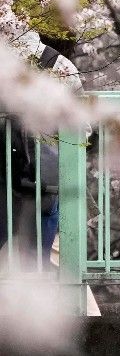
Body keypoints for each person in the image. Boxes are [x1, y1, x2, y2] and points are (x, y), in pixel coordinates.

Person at [1, 30, 82, 263]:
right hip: (41, 180)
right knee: (37, 264)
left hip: (3, 176)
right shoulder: (58, 63)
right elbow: (81, 128)